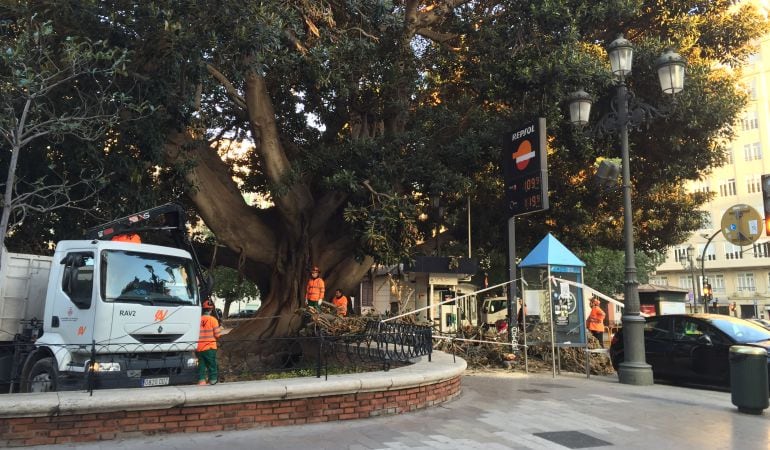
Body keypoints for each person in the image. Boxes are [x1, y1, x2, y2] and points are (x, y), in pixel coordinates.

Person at [197, 299, 222, 385]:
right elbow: (217, 334)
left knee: (202, 364)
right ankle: (213, 379)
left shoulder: (198, 320)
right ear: (211, 310)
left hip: (199, 347)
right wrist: (220, 328)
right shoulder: (213, 320)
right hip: (210, 346)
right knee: (212, 364)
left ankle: (201, 380)